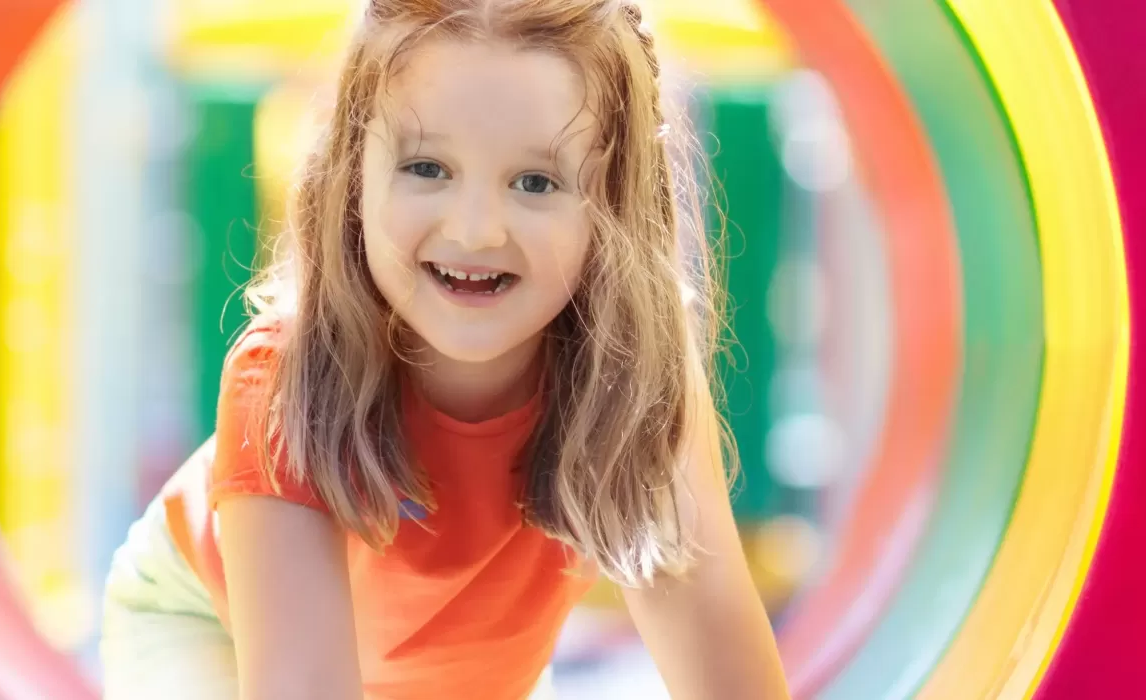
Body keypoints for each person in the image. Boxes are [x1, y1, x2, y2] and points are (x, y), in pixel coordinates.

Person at [99, 1, 789, 697]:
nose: (476, 230)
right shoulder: (286, 381)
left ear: (613, 204)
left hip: (464, 668)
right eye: (427, 167)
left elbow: (726, 667)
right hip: (208, 619)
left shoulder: (637, 381)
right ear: (351, 175)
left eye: (536, 182)